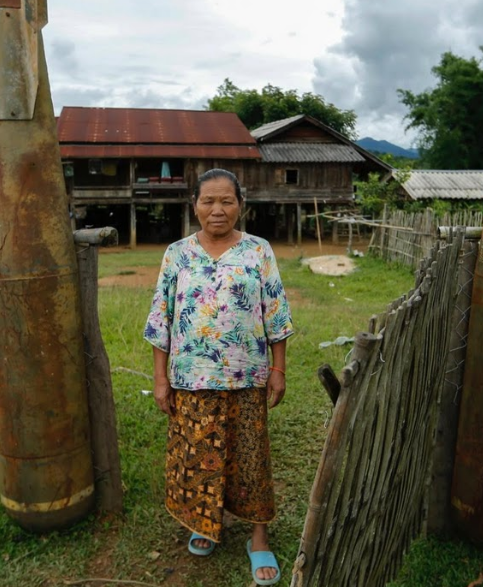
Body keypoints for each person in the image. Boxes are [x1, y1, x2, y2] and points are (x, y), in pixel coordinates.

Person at [143, 168, 293, 586]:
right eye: (208, 200)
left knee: (250, 456)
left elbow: (275, 314)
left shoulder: (258, 251)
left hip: (248, 376)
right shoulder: (177, 254)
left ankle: (258, 537)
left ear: (240, 205)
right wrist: (160, 379)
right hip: (191, 377)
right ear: (194, 205)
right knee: (197, 456)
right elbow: (162, 319)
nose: (217, 209)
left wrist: (278, 369)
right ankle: (205, 523)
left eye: (227, 200)